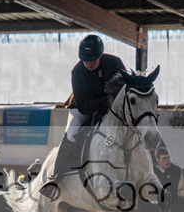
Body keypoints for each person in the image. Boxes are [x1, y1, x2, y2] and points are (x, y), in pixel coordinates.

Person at [40, 34, 127, 197]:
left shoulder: (115, 63)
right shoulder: (77, 71)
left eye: (93, 59)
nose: (89, 63)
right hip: (84, 107)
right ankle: (55, 177)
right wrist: (103, 103)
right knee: (71, 133)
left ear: (101, 55)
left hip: (112, 106)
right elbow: (83, 105)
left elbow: (126, 87)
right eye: (86, 60)